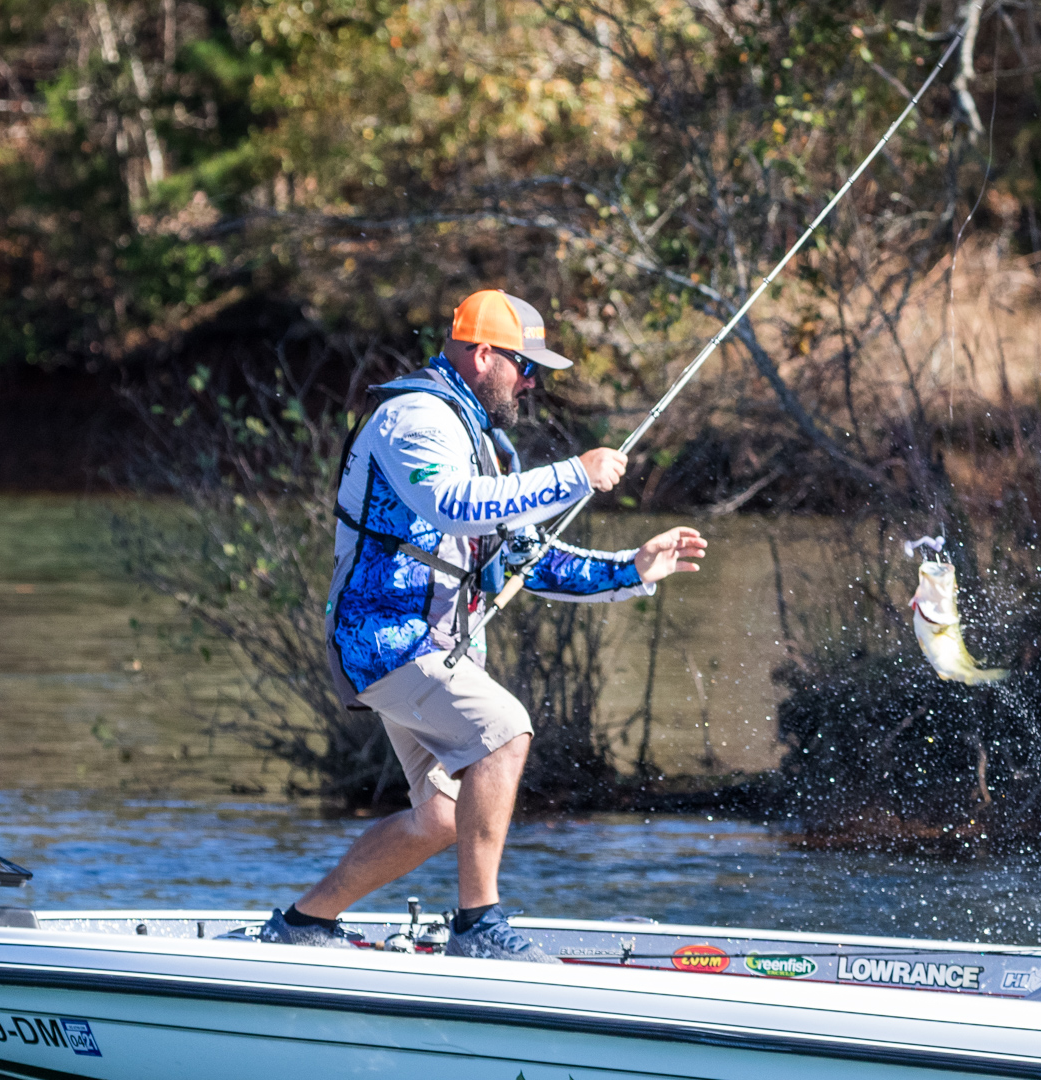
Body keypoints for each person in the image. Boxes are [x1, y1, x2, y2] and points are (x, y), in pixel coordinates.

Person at [260, 288, 707, 961]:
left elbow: (527, 557)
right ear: (482, 355)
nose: (532, 384)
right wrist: (573, 474)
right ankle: (479, 927)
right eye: (525, 368)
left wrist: (636, 570)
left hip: (429, 650)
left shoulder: (483, 442)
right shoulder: (414, 417)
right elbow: (454, 506)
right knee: (504, 733)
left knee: (440, 814)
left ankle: (303, 923)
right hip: (385, 640)